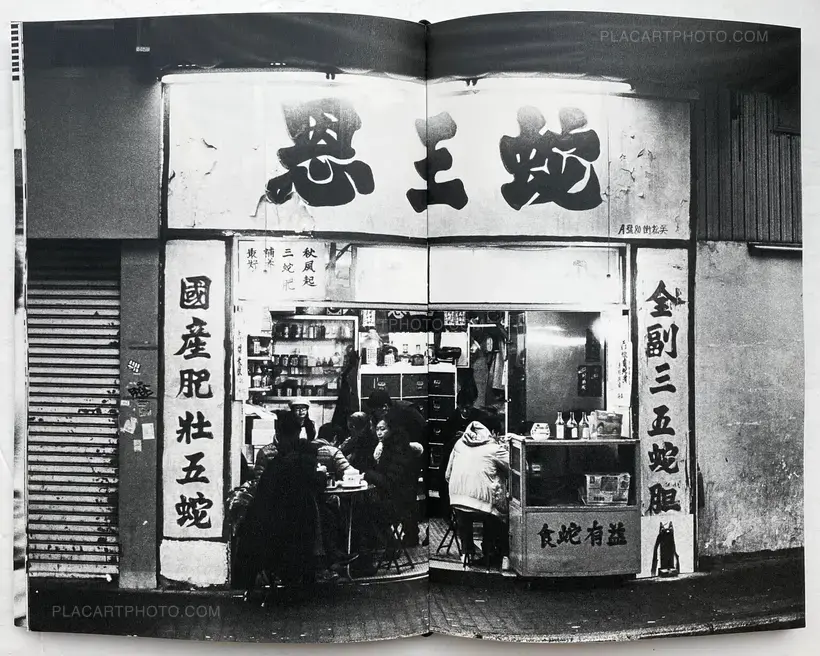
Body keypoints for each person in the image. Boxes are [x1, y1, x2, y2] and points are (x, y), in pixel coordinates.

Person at [235, 412, 330, 594]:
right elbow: (316, 485)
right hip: (293, 530)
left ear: (278, 434)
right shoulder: (302, 460)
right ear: (298, 433)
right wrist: (321, 475)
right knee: (324, 517)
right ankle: (325, 564)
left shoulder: (277, 462)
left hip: (266, 529)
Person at [353, 405, 423, 574]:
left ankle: (366, 560)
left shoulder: (397, 449)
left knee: (360, 511)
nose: (379, 433)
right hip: (395, 500)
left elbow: (390, 481)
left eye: (383, 429)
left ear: (392, 429)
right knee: (361, 506)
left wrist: (368, 474)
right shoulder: (389, 446)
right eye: (376, 429)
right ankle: (384, 547)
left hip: (398, 503)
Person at [445, 413, 510, 568]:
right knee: (500, 515)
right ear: (493, 432)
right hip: (482, 506)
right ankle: (492, 553)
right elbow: (518, 466)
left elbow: (447, 475)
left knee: (464, 512)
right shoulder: (494, 449)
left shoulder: (459, 444)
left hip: (456, 501)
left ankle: (466, 553)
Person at [438, 389, 482, 516]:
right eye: (462, 408)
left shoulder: (479, 417)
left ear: (473, 404)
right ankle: (448, 511)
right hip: (455, 455)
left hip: (474, 455)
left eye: (468, 408)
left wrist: (467, 435)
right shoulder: (452, 418)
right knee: (444, 474)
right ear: (458, 406)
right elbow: (445, 440)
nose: (465, 411)